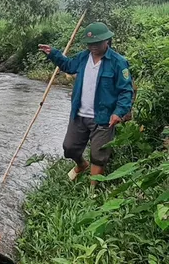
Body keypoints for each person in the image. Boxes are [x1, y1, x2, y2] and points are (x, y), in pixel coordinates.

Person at [38, 22, 134, 185]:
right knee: (69, 148)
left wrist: (119, 112)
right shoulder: (83, 57)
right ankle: (82, 165)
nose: (93, 47)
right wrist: (53, 54)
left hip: (103, 117)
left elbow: (126, 91)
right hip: (79, 114)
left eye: (96, 43)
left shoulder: (118, 62)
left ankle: (92, 192)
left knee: (98, 155)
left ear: (106, 41)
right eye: (90, 44)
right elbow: (69, 66)